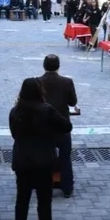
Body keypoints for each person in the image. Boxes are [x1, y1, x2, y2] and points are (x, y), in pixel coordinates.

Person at [8, 77, 72, 220]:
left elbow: (14, 134)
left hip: (23, 159)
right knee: (44, 198)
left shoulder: (15, 111)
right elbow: (66, 126)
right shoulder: (47, 110)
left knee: (22, 197)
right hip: (44, 159)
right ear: (40, 91)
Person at [37, 54, 78, 197]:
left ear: (44, 66)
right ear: (58, 66)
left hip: (44, 126)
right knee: (65, 157)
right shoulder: (67, 82)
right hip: (62, 125)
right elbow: (72, 102)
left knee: (43, 157)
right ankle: (67, 188)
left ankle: (44, 186)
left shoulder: (37, 82)